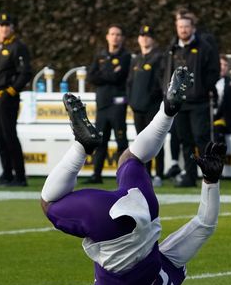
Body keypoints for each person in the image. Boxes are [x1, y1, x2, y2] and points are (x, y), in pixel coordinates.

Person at [30, 67, 223, 285]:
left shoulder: (168, 272)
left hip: (144, 210)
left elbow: (205, 225)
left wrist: (210, 181)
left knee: (131, 158)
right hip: (114, 233)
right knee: (48, 204)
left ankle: (167, 112)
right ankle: (82, 145)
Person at [165, 13, 220, 187]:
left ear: (193, 28)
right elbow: (167, 72)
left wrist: (203, 89)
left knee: (201, 139)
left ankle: (209, 175)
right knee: (185, 140)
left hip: (199, 102)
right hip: (180, 103)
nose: (183, 30)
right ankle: (190, 176)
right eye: (180, 26)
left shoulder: (204, 47)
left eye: (186, 26)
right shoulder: (173, 48)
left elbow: (214, 71)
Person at [0, 12, 32, 187]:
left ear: (12, 28)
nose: (4, 28)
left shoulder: (17, 47)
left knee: (10, 135)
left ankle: (19, 176)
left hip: (6, 98)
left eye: (7, 25)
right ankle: (6, 173)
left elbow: (25, 72)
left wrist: (11, 91)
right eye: (1, 25)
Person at [85, 24, 131, 184]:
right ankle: (96, 175)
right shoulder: (100, 56)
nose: (115, 37)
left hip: (117, 105)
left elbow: (120, 77)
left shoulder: (126, 57)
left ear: (122, 38)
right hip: (102, 105)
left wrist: (102, 75)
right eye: (112, 34)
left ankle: (124, 176)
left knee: (121, 142)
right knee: (100, 141)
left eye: (118, 34)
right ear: (107, 36)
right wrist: (110, 73)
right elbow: (91, 77)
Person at [128, 24, 165, 186]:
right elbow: (129, 83)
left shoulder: (158, 57)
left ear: (153, 39)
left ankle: (159, 174)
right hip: (137, 108)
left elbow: (160, 82)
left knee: (155, 141)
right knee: (141, 142)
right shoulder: (136, 59)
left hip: (152, 107)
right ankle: (145, 174)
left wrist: (152, 98)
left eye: (148, 36)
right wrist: (132, 101)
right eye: (142, 36)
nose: (144, 38)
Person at [213, 55, 231, 140]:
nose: (222, 67)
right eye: (220, 64)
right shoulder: (205, 81)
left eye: (225, 65)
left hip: (224, 122)